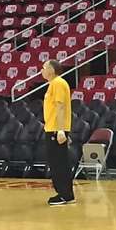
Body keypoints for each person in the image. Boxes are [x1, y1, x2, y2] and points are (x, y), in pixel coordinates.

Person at [41, 59, 75, 205]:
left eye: (44, 67)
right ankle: (63, 193)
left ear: (52, 70)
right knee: (56, 162)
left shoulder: (58, 83)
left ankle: (65, 194)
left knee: (59, 163)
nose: (41, 70)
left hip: (56, 130)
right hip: (52, 128)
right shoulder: (52, 84)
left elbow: (60, 107)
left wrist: (61, 130)